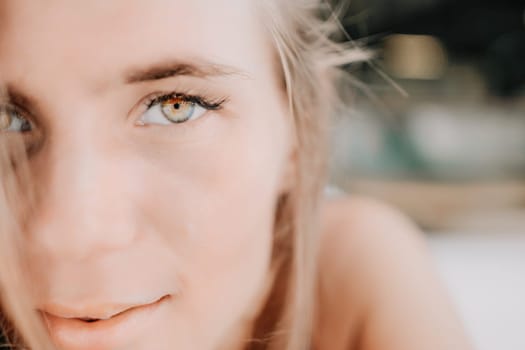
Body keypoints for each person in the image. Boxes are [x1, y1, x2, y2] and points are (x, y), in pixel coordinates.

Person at [0, 0, 472, 349]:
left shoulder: (347, 276)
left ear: (303, 129)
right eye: (6, 118)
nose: (66, 233)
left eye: (174, 108)